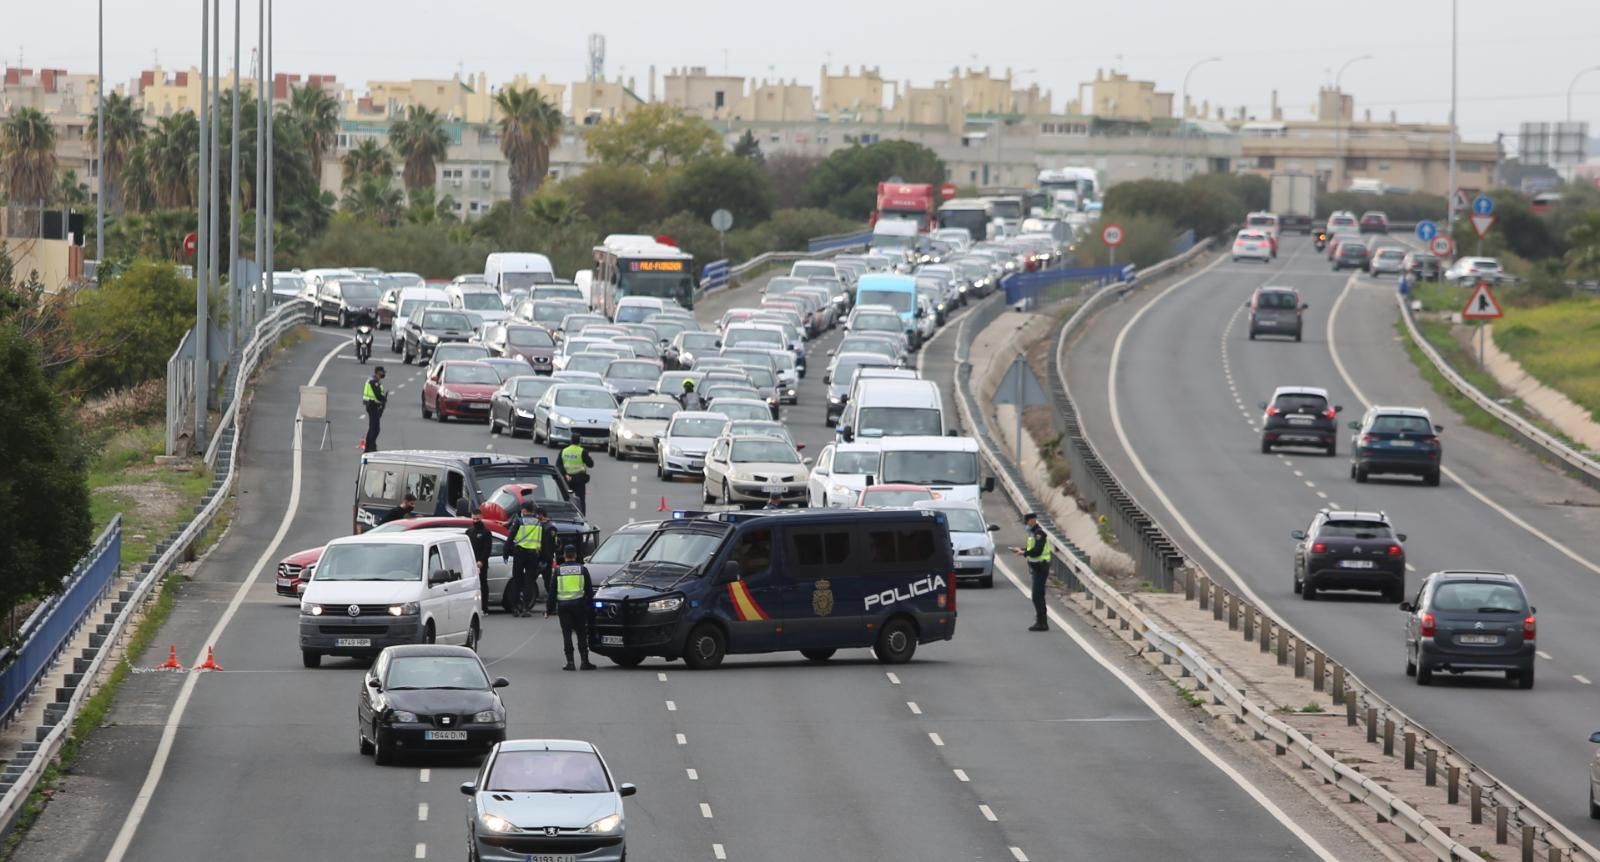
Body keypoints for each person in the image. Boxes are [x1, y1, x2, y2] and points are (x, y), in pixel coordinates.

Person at [547, 544, 596, 671]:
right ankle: (585, 661)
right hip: (579, 605)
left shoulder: (558, 571)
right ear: (575, 555)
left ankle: (570, 662)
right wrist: (591, 607)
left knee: (567, 634)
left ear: (564, 556)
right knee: (581, 633)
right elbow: (589, 591)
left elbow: (552, 592)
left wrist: (549, 610)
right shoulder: (582, 569)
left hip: (563, 606)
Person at [501, 501, 546, 617]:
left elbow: (510, 538)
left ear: (525, 510)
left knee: (517, 580)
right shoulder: (539, 523)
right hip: (533, 555)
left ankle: (515, 608)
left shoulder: (520, 521)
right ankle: (526, 608)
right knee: (529, 582)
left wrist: (505, 553)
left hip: (519, 554)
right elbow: (543, 542)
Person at [1012, 512, 1052, 632]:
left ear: (1032, 520)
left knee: (1037, 596)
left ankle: (1042, 623)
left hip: (1041, 567)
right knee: (1037, 595)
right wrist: (1022, 550)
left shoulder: (1039, 534)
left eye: (1027, 522)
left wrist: (1024, 553)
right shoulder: (1033, 533)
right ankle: (1041, 622)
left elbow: (1037, 551)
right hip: (1036, 568)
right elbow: (1031, 549)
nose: (1026, 524)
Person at [464, 509, 495, 614]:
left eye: (477, 518)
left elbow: (487, 549)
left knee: (482, 585)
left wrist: (481, 561)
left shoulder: (486, 532)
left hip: (481, 564)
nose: (475, 520)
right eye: (473, 518)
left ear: (481, 517)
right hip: (470, 563)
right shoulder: (469, 532)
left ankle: (484, 607)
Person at [559, 441, 595, 513]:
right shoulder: (582, 451)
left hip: (567, 479)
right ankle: (582, 518)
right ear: (579, 442)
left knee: (565, 499)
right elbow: (590, 464)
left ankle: (565, 514)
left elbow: (559, 465)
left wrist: (565, 474)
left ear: (570, 442)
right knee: (581, 500)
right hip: (579, 478)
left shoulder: (564, 451)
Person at [362, 366, 388, 451]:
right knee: (375, 429)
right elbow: (378, 395)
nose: (383, 374)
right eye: (382, 372)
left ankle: (369, 446)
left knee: (373, 427)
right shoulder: (374, 382)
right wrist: (384, 399)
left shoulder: (373, 380)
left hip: (372, 406)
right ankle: (370, 447)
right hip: (372, 406)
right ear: (377, 372)